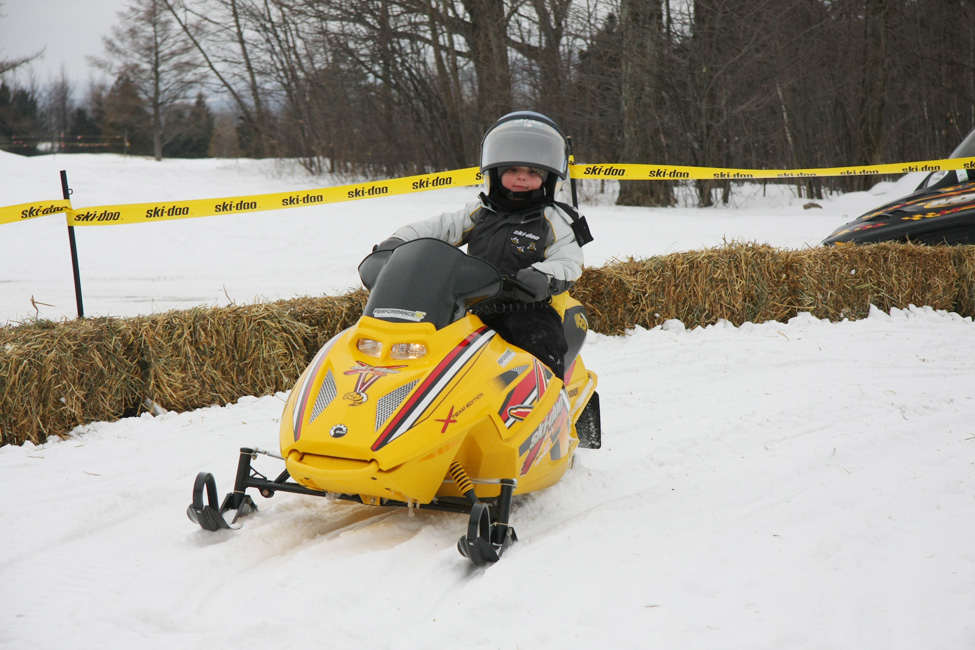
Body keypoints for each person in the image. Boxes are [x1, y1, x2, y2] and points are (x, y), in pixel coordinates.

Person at [373, 111, 591, 381]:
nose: (521, 177)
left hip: (527, 307)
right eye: (513, 169)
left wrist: (543, 275)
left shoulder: (557, 219)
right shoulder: (481, 211)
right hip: (473, 303)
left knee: (540, 341)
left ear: (548, 178)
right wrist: (399, 242)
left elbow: (569, 261)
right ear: (496, 171)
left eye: (532, 172)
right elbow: (441, 227)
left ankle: (550, 406)